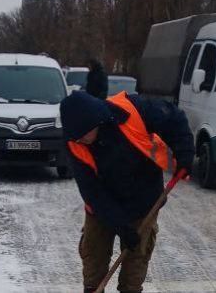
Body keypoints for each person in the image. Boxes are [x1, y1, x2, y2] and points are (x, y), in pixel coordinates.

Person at [60, 90, 194, 293]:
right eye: (76, 138)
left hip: (144, 200)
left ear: (94, 122)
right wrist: (120, 225)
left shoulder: (132, 110)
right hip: (101, 208)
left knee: (135, 264)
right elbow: (92, 191)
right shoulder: (74, 142)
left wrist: (185, 154)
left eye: (82, 135)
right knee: (93, 262)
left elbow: (174, 118)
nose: (80, 141)